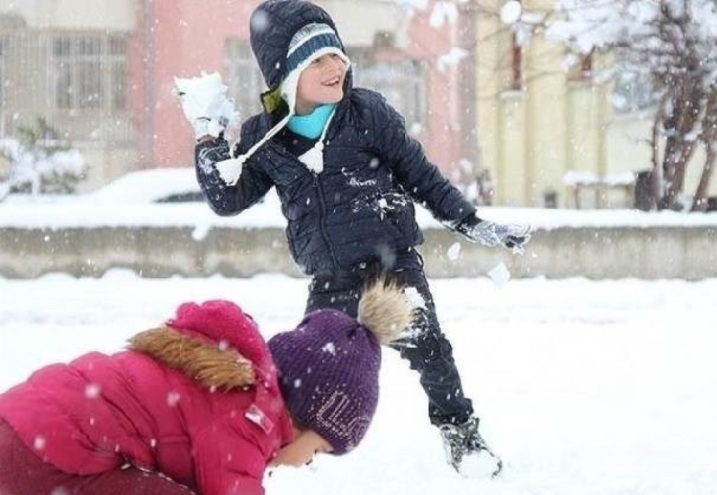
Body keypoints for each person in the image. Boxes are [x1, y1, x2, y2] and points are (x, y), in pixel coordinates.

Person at [175, 0, 531, 477]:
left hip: (392, 269)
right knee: (301, 375)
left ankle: (460, 431)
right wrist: (208, 136)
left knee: (432, 354)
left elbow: (421, 177)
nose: (334, 67)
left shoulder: (367, 114)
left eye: (336, 55)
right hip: (330, 278)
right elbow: (227, 197)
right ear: (286, 74)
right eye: (317, 60)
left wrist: (470, 222)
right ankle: (278, 443)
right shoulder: (265, 138)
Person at [0, 281, 411, 495]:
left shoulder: (234, 386)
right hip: (41, 459)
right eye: (320, 449)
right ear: (302, 413)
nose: (309, 462)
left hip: (23, 428)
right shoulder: (249, 417)